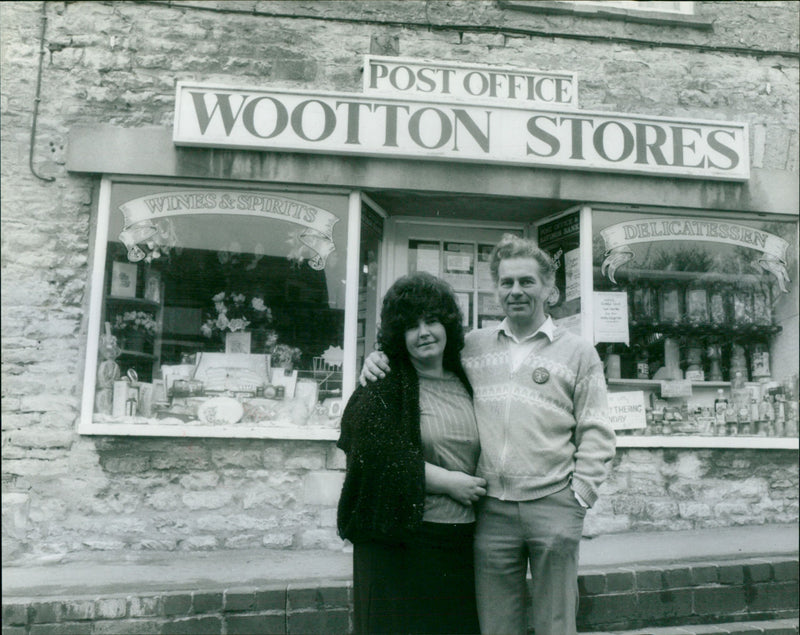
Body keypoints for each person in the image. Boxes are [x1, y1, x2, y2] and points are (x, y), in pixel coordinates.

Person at [361, 234, 616, 635]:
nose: (516, 291)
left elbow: (597, 430)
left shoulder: (579, 352)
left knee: (556, 622)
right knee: (496, 624)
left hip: (553, 504)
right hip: (491, 509)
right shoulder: (473, 347)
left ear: (548, 288)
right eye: (507, 282)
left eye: (527, 282)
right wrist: (377, 359)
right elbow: (421, 359)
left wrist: (578, 497)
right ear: (496, 288)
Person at [337, 271, 487, 635]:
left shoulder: (466, 377)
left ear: (448, 324)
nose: (424, 332)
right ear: (397, 335)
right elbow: (368, 456)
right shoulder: (385, 381)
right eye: (411, 325)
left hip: (461, 540)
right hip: (404, 542)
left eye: (432, 320)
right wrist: (447, 482)